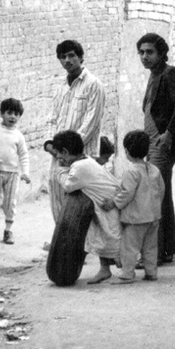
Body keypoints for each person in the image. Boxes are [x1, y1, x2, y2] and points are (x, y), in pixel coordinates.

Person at [136, 32, 175, 263]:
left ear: (162, 53)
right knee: (160, 195)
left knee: (155, 194)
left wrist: (169, 133)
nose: (144, 56)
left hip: (164, 143)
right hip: (153, 141)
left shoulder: (170, 73)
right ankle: (164, 250)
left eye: (150, 52)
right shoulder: (154, 75)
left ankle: (156, 252)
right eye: (141, 52)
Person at [51, 129, 120, 284]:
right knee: (101, 236)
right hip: (104, 203)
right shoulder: (86, 160)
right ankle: (105, 270)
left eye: (59, 155)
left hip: (109, 205)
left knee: (110, 239)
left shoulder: (80, 167)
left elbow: (68, 186)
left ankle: (125, 271)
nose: (58, 158)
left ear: (66, 152)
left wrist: (59, 171)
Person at [47, 39, 105, 221]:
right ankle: (60, 242)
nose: (67, 60)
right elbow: (52, 119)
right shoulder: (61, 88)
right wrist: (50, 145)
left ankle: (80, 248)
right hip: (58, 155)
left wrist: (68, 151)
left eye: (71, 55)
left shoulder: (94, 85)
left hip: (81, 156)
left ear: (81, 57)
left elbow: (91, 122)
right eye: (62, 57)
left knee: (79, 204)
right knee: (57, 197)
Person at [103, 130, 164, 283]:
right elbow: (161, 190)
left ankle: (127, 273)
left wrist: (114, 203)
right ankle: (151, 272)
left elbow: (126, 193)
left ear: (127, 151)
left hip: (135, 218)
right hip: (153, 216)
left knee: (129, 247)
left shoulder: (131, 172)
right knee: (150, 247)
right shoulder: (155, 169)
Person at [0, 98, 31, 244]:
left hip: (12, 174)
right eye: (9, 113)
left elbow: (23, 155)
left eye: (16, 114)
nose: (12, 117)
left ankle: (8, 231)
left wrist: (25, 172)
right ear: (1, 114)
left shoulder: (19, 136)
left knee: (10, 203)